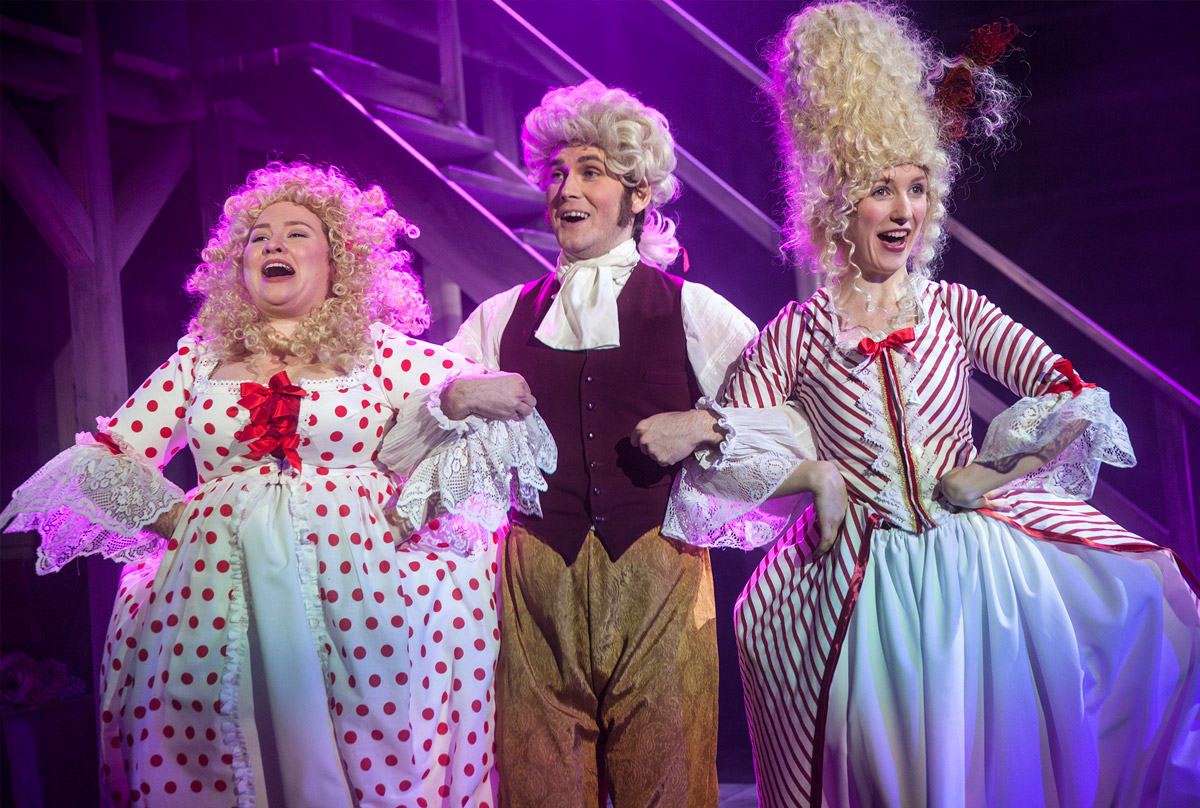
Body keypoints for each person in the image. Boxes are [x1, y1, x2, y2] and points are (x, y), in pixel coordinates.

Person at [664, 3, 1200, 806]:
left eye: (917, 187)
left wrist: (990, 471)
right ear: (839, 203)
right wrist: (813, 476)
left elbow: (1072, 395)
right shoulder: (799, 331)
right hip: (861, 585)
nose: (905, 209)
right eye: (882, 189)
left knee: (1025, 725)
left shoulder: (954, 308)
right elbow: (726, 450)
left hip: (978, 575)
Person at [1, 162, 556, 808]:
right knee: (221, 736)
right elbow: (106, 454)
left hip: (356, 580)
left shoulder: (378, 352)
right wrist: (178, 519)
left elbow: (488, 406)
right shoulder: (201, 358)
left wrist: (410, 509)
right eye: (258, 237)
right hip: (217, 579)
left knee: (362, 741)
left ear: (337, 262)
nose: (273, 244)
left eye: (296, 233)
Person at [445, 80, 759, 808]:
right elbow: (417, 408)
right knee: (539, 786)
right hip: (536, 580)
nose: (567, 189)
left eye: (591, 171)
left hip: (657, 573)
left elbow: (783, 408)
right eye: (556, 173)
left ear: (638, 194)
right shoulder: (501, 316)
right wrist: (456, 395)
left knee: (668, 783)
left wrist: (706, 425)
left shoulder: (689, 307)